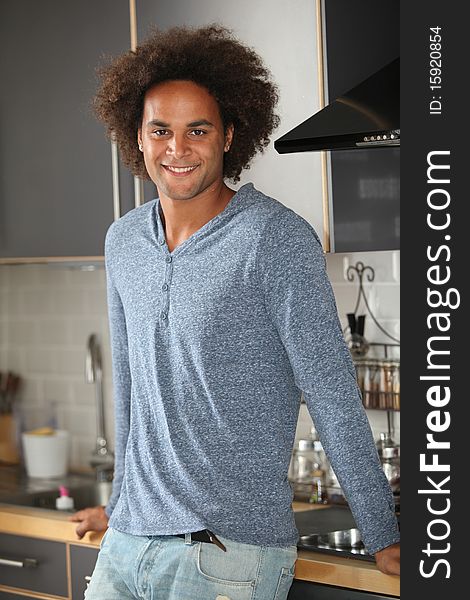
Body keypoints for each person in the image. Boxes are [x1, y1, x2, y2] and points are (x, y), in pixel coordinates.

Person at [69, 24, 400, 599]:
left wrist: (382, 531)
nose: (177, 149)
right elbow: (132, 392)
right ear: (137, 138)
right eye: (160, 131)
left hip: (227, 554)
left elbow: (330, 391)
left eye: (197, 129)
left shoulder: (275, 240)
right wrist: (120, 502)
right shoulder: (122, 241)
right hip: (126, 545)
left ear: (227, 135)